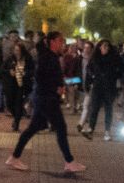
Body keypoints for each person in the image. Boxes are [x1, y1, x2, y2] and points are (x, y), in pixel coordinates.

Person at [7, 31, 85, 175]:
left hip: (45, 97)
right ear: (53, 42)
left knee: (34, 127)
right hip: (46, 98)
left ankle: (14, 157)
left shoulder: (51, 56)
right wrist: (56, 88)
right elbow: (40, 77)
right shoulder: (47, 57)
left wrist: (60, 85)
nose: (63, 44)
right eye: (61, 41)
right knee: (60, 127)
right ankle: (69, 161)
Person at [82, 38, 124, 139]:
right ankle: (90, 129)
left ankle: (107, 131)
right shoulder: (95, 58)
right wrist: (89, 82)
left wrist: (115, 75)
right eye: (103, 46)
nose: (106, 48)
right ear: (99, 47)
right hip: (98, 86)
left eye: (107, 46)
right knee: (94, 108)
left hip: (110, 87)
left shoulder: (114, 58)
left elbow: (123, 68)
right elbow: (89, 70)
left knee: (108, 109)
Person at [1, 31, 33, 132]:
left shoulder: (27, 59)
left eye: (18, 50)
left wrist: (26, 73)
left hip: (21, 85)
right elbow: (1, 70)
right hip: (11, 85)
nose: (16, 52)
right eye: (15, 50)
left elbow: (33, 70)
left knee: (18, 104)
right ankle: (17, 116)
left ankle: (17, 123)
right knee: (10, 104)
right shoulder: (10, 59)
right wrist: (9, 72)